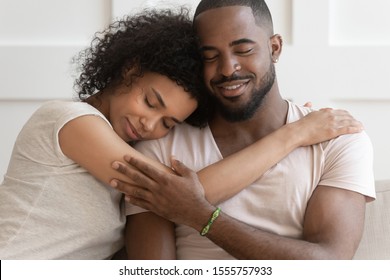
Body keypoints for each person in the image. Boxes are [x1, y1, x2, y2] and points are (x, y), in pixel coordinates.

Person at [0, 7, 361, 260]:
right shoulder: (69, 119)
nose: (150, 125)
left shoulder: (134, 145)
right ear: (129, 68)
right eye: (150, 101)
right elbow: (175, 196)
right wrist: (293, 135)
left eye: (168, 123)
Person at [115, 0, 376, 260]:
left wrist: (201, 216)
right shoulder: (162, 143)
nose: (228, 69)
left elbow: (331, 262)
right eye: (210, 56)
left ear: (274, 48)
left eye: (243, 50)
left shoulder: (337, 140)